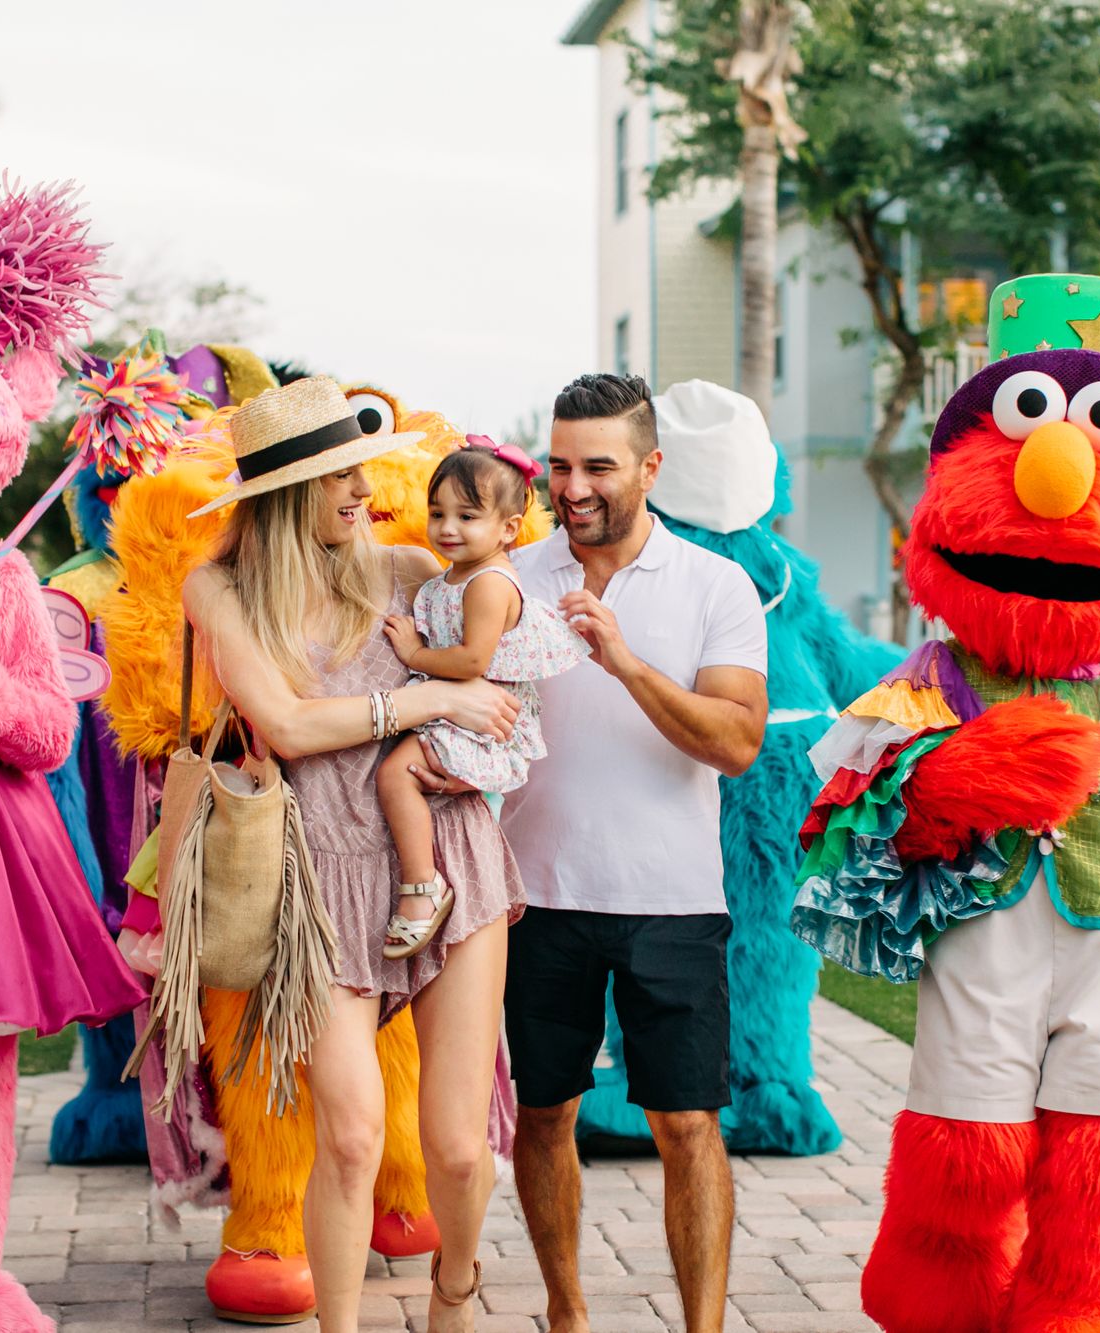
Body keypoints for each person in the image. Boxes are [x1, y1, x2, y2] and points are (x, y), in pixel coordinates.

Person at [181, 376, 527, 1332]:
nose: (363, 491)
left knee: (456, 1147)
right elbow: (287, 724)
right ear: (287, 492)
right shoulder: (220, 585)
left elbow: (506, 666)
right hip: (319, 876)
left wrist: (471, 723)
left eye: (361, 469)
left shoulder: (412, 568)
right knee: (352, 1135)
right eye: (340, 476)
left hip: (448, 859)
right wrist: (423, 702)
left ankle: (453, 1289)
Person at [494, 372, 769, 1333]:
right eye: (560, 464)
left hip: (673, 899)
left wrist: (626, 662)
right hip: (537, 900)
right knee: (544, 1115)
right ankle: (568, 1314)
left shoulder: (714, 584)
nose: (574, 486)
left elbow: (736, 741)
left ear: (651, 467)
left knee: (687, 1124)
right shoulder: (513, 578)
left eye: (598, 466)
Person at [377, 438, 587, 960]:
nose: (448, 528)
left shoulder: (489, 584)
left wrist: (415, 653)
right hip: (455, 708)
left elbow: (473, 661)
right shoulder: (453, 575)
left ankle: (423, 889)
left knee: (393, 777)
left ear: (509, 528)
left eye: (467, 516)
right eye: (437, 513)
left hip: (479, 717)